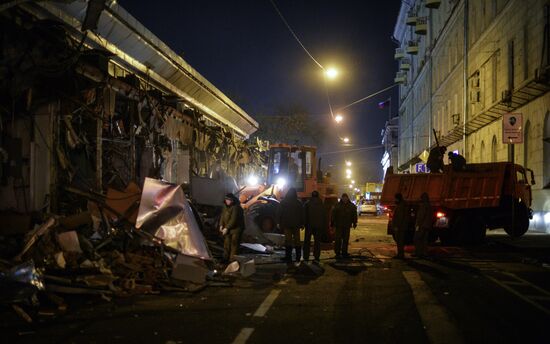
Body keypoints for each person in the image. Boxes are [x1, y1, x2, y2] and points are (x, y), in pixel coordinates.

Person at [278, 187, 304, 263]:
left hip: (287, 224)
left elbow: (279, 213)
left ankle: (288, 257)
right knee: (297, 241)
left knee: (288, 241)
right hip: (296, 225)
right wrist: (302, 223)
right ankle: (298, 257)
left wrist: (278, 222)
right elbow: (302, 214)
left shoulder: (283, 202)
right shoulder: (298, 203)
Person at [331, 193, 357, 259]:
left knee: (345, 240)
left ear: (347, 198)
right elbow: (333, 215)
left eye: (346, 198)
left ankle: (344, 252)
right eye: (343, 198)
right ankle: (337, 253)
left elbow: (354, 215)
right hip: (338, 226)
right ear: (342, 198)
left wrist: (354, 223)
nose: (345, 199)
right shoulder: (337, 205)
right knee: (338, 240)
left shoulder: (351, 206)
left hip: (347, 226)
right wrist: (332, 223)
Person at [220, 193, 245, 262]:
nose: (227, 201)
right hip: (229, 228)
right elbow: (222, 215)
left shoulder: (236, 207)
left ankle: (232, 260)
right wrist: (221, 225)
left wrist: (226, 228)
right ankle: (225, 258)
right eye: (226, 200)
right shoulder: (225, 206)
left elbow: (233, 219)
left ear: (232, 200)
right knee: (227, 243)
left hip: (237, 229)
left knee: (234, 245)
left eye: (229, 200)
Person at [304, 190, 326, 262]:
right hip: (318, 226)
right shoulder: (322, 204)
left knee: (307, 242)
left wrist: (304, 224)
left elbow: (304, 215)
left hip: (309, 226)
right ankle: (316, 256)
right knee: (317, 242)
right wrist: (323, 225)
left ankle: (306, 256)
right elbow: (324, 216)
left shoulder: (307, 203)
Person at [413, 192, 433, 257]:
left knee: (417, 238)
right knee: (424, 240)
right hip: (426, 226)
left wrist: (417, 226)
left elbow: (420, 217)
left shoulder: (423, 206)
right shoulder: (429, 205)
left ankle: (418, 252)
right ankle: (424, 253)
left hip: (421, 226)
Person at [392, 193, 409, 259]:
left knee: (400, 241)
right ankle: (400, 254)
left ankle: (400, 255)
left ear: (398, 198)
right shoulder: (401, 205)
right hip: (400, 227)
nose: (394, 200)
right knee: (399, 241)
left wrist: (397, 226)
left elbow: (400, 217)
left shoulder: (401, 206)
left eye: (395, 198)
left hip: (399, 227)